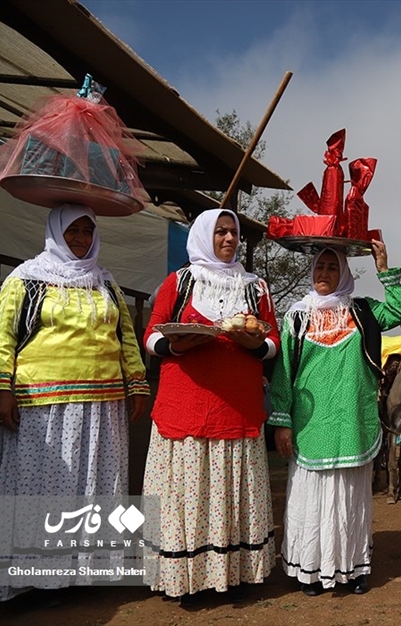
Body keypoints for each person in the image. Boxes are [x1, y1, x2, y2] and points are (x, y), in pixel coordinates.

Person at [0, 204, 149, 602]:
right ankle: (35, 580)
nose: (79, 238)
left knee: (91, 490)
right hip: (44, 404)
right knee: (43, 491)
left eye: (86, 230)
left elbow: (125, 339)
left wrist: (137, 383)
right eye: (71, 230)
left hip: (102, 405)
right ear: (55, 232)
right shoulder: (26, 279)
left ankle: (84, 573)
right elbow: (2, 338)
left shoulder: (106, 283)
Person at [142, 209, 280, 605]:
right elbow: (152, 333)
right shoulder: (180, 282)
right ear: (205, 235)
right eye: (220, 231)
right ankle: (183, 575)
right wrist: (175, 344)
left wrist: (257, 345)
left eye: (233, 232)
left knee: (227, 493)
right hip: (184, 407)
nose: (228, 238)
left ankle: (232, 573)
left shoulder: (255, 288)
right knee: (188, 492)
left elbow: (272, 343)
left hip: (236, 408)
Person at [269, 241, 401, 596]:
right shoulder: (297, 316)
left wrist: (384, 267)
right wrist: (281, 422)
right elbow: (283, 372)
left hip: (353, 421)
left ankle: (352, 568)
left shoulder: (362, 311)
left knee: (351, 499)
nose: (324, 274)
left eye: (332, 268)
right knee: (312, 498)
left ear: (344, 273)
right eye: (320, 267)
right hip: (310, 425)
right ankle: (311, 569)